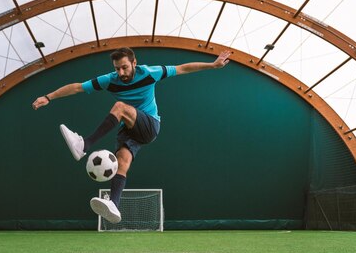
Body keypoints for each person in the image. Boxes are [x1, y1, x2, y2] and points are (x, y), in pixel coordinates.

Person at [32, 47, 232, 223]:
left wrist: (213, 65)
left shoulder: (149, 73)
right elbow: (77, 87)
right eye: (117, 68)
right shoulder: (110, 80)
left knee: (120, 107)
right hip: (130, 128)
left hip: (150, 125)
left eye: (125, 67)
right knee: (122, 161)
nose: (120, 72)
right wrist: (48, 97)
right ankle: (115, 205)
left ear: (134, 63)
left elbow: (183, 68)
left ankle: (84, 144)